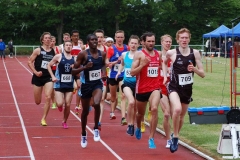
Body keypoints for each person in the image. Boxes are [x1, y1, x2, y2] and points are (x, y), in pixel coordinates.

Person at [163, 28, 205, 153]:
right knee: (176, 109)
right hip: (174, 87)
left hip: (187, 89)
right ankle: (175, 137)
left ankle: (175, 134)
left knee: (181, 116)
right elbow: (164, 63)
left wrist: (194, 69)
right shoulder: (171, 53)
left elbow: (203, 74)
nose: (184, 40)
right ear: (178, 39)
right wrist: (166, 76)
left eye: (186, 38)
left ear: (189, 39)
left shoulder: (195, 53)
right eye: (182, 38)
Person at [72, 34, 107, 148]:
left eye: (96, 40)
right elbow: (73, 71)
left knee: (97, 103)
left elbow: (102, 66)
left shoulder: (102, 54)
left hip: (97, 84)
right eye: (92, 40)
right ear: (88, 42)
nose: (95, 41)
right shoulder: (83, 54)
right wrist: (85, 67)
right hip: (86, 85)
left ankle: (96, 128)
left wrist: (104, 73)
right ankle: (83, 133)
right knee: (85, 112)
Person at [130, 32, 162, 149]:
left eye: (153, 41)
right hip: (141, 89)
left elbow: (161, 67)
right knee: (140, 114)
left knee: (154, 109)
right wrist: (143, 64)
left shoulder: (158, 54)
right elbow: (132, 72)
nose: (151, 43)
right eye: (149, 41)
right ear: (143, 42)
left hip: (155, 88)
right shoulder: (139, 54)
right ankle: (138, 126)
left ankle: (151, 137)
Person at [28, 32, 55, 126]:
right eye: (46, 38)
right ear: (42, 40)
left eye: (49, 38)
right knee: (38, 101)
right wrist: (35, 72)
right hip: (38, 77)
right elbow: (30, 62)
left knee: (48, 97)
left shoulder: (54, 51)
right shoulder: (37, 50)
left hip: (49, 77)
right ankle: (40, 105)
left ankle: (44, 118)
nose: (48, 40)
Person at [47, 40, 75, 129]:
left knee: (67, 104)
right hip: (59, 83)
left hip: (69, 84)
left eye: (70, 45)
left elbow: (79, 70)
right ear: (64, 47)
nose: (68, 47)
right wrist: (53, 76)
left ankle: (64, 121)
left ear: (72, 47)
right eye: (67, 45)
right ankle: (59, 105)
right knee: (60, 103)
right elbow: (49, 65)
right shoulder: (58, 56)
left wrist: (76, 68)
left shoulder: (74, 58)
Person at [115, 35, 139, 136]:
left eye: (135, 43)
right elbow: (122, 64)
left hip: (138, 84)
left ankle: (133, 123)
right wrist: (119, 72)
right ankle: (130, 124)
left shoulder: (140, 55)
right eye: (131, 43)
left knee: (136, 107)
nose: (133, 45)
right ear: (128, 44)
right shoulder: (125, 54)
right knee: (131, 102)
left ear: (138, 45)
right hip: (127, 83)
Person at [106, 30, 129, 125]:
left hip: (123, 74)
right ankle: (112, 112)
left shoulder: (127, 48)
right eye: (118, 37)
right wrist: (116, 62)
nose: (119, 39)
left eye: (121, 37)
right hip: (112, 75)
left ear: (124, 38)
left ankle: (123, 117)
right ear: (115, 38)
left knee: (123, 95)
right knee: (113, 97)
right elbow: (107, 63)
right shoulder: (111, 49)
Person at [93, 29, 108, 130]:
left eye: (101, 37)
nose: (99, 39)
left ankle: (98, 122)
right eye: (97, 37)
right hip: (89, 78)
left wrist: (108, 64)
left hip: (102, 77)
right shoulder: (87, 48)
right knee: (93, 101)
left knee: (101, 99)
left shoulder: (107, 49)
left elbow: (107, 62)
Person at [159, 34, 173, 148]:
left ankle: (174, 134)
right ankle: (168, 139)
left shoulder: (174, 55)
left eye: (169, 42)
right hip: (161, 87)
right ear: (162, 42)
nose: (168, 43)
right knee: (167, 114)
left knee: (175, 114)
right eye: (166, 41)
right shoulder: (158, 56)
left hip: (173, 87)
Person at [70, 30, 83, 115]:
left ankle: (77, 106)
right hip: (69, 71)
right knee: (68, 89)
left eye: (77, 36)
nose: (76, 37)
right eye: (74, 36)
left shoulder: (81, 47)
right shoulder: (67, 46)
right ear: (71, 37)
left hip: (78, 70)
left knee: (79, 87)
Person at [49, 36, 61, 109]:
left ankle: (58, 101)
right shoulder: (47, 50)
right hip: (50, 70)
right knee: (51, 88)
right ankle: (53, 102)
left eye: (53, 41)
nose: (52, 43)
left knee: (57, 87)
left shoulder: (58, 49)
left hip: (57, 70)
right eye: (51, 41)